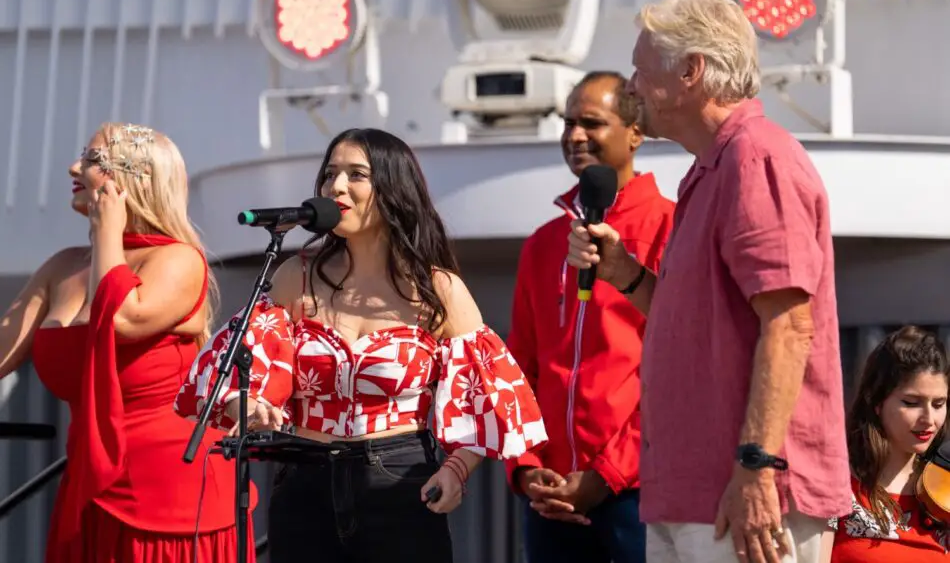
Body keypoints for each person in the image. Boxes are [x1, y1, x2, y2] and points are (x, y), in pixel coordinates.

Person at [566, 0, 852, 563]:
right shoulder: (712, 170)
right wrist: (625, 274)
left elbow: (790, 325)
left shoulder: (757, 160)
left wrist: (756, 467)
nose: (632, 86)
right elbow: (702, 324)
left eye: (642, 69)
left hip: (745, 495)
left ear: (691, 72)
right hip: (693, 496)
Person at [174, 127, 548, 563]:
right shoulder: (296, 276)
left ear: (392, 188)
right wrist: (248, 404)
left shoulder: (437, 289)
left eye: (356, 174)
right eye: (329, 174)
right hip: (305, 478)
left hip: (400, 478)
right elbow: (242, 374)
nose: (336, 186)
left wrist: (456, 469)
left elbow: (487, 403)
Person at [0, 122, 252, 561]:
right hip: (91, 480)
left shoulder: (178, 259)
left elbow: (120, 317)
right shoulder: (61, 268)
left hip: (169, 489)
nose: (73, 167)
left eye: (93, 159)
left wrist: (107, 235)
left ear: (134, 178)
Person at [504, 71, 674, 563]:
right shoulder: (542, 244)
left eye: (592, 123)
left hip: (637, 493)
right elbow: (519, 369)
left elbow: (678, 373)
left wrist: (606, 476)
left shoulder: (670, 226)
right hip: (550, 498)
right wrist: (526, 467)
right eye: (568, 123)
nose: (575, 135)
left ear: (635, 132)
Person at [830, 325, 950, 561]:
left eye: (938, 404)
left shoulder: (945, 491)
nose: (929, 420)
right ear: (877, 402)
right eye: (911, 402)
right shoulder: (837, 488)